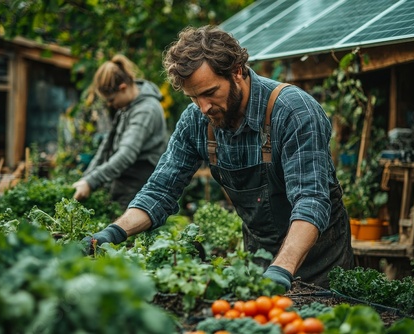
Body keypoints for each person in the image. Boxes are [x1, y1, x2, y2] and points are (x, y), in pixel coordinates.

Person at [83, 26, 354, 289]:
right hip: (259, 260)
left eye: (210, 93)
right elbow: (159, 190)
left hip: (321, 266)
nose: (203, 108)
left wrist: (281, 268)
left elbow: (310, 200)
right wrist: (110, 234)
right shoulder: (196, 121)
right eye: (193, 98)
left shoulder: (293, 112)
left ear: (237, 72)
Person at [72, 54, 167, 208]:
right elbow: (106, 147)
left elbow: (126, 155)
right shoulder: (127, 107)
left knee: (125, 230)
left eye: (111, 100)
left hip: (140, 187)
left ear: (123, 88)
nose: (111, 105)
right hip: (124, 183)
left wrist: (91, 182)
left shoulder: (146, 110)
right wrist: (86, 178)